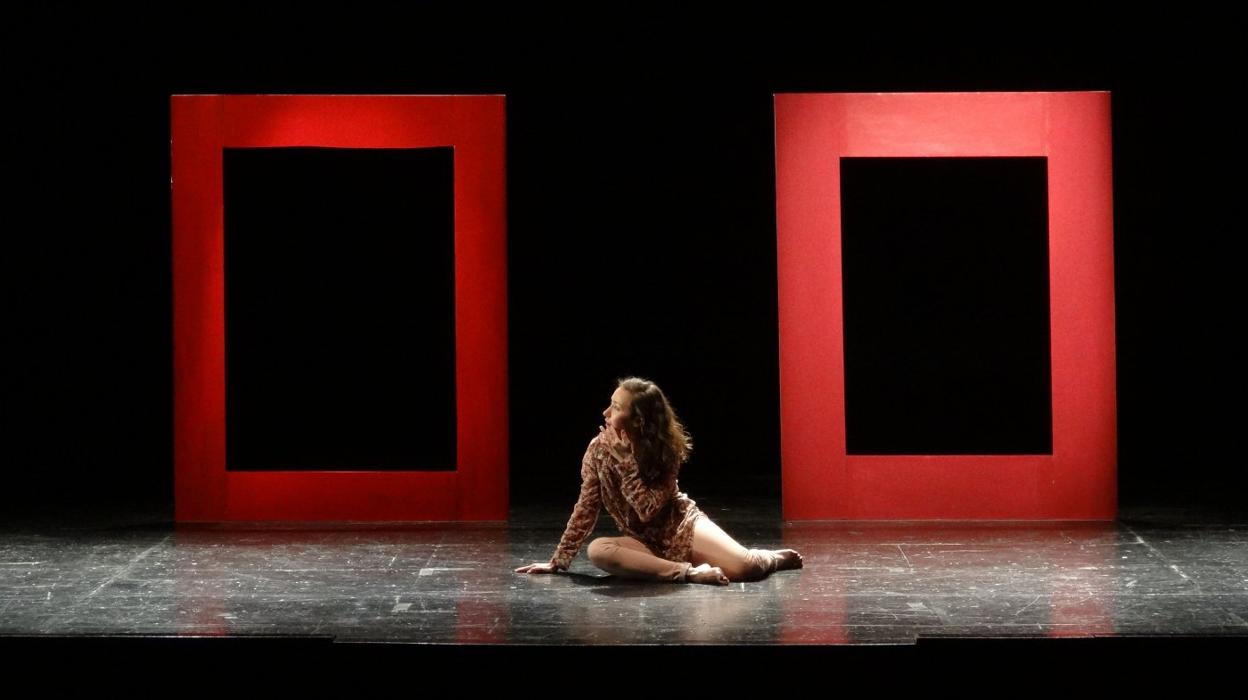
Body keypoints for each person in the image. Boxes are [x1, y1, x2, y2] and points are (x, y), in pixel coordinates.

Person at [515, 376, 803, 585]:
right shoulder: (598, 450)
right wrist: (558, 560)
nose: (606, 413)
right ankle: (688, 573)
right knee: (598, 550)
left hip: (682, 527)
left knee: (746, 568)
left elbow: (648, 510)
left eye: (615, 407)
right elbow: (586, 507)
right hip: (644, 541)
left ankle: (768, 558)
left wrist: (626, 463)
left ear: (638, 419)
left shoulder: (665, 450)